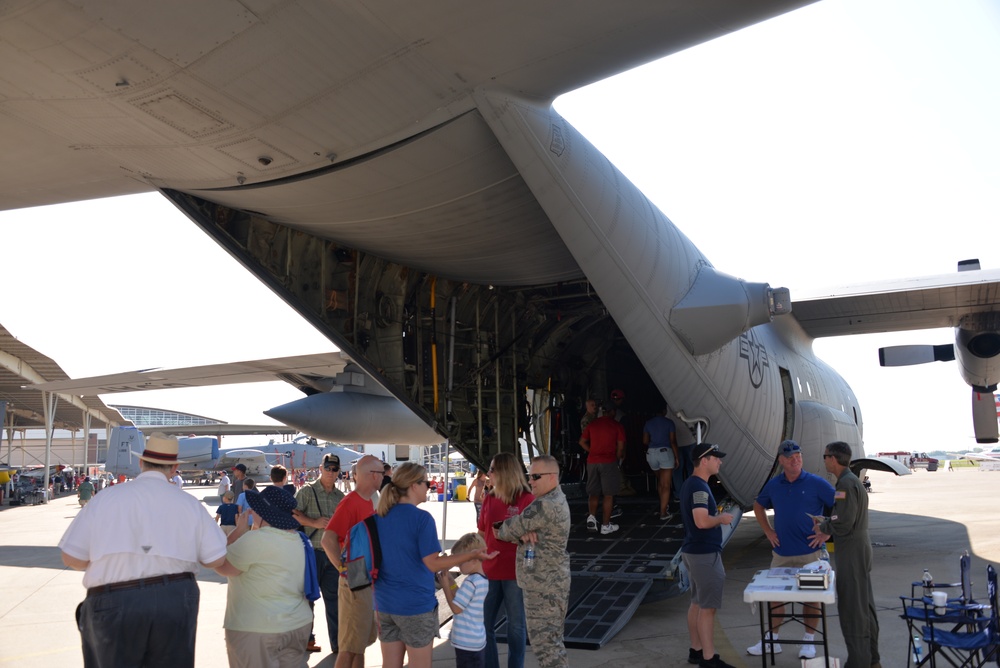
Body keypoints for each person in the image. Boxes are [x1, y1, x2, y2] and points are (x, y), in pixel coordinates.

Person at [58, 433, 229, 667]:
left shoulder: (106, 498)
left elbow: (71, 557)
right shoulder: (189, 504)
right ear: (174, 467)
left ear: (141, 462)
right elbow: (216, 558)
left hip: (114, 599)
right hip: (175, 599)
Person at [373, 462, 494, 668]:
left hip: (384, 604)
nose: (428, 486)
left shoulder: (379, 517)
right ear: (413, 485)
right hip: (415, 606)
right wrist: (470, 555)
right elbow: (432, 563)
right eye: (425, 482)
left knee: (390, 664)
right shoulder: (422, 519)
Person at [747, 440, 835, 658]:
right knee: (775, 598)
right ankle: (772, 640)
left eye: (798, 456)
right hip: (781, 554)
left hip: (811, 553)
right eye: (790, 457)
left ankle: (808, 641)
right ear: (781, 460)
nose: (795, 460)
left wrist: (828, 531)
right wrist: (767, 531)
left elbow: (842, 502)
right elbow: (758, 505)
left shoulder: (816, 483)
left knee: (811, 598)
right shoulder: (774, 485)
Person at [216, 485, 316, 668]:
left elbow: (220, 563)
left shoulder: (255, 540)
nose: (252, 512)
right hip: (297, 624)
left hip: (257, 628)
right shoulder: (300, 540)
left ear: (265, 514)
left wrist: (237, 532)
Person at [494, 455, 571, 668]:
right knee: (551, 644)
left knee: (547, 648)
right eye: (530, 476)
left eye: (536, 476)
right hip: (549, 583)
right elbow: (518, 530)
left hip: (543, 587)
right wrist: (520, 533)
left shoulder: (545, 505)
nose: (531, 481)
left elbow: (503, 530)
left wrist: (507, 527)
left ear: (552, 477)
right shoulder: (554, 498)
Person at [812, 441, 881, 668]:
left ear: (834, 458)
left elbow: (843, 522)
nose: (824, 460)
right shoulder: (852, 482)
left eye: (825, 456)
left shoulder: (844, 485)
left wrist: (823, 527)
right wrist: (829, 522)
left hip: (851, 550)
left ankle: (859, 661)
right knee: (864, 605)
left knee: (853, 608)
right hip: (858, 547)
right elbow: (843, 518)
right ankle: (872, 659)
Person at [320, 454, 384, 668]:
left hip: (364, 578)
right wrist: (345, 570)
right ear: (373, 476)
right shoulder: (351, 502)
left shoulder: (366, 501)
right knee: (349, 646)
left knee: (360, 643)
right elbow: (328, 539)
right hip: (355, 577)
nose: (384, 478)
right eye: (382, 473)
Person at [679, 443, 734, 668]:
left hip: (692, 551)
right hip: (704, 554)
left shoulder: (689, 485)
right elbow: (702, 521)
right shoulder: (700, 488)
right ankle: (709, 659)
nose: (719, 461)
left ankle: (696, 650)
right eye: (715, 457)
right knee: (707, 608)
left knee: (696, 603)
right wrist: (721, 519)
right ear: (704, 460)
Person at [477, 453, 534, 668]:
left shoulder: (527, 499)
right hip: (489, 570)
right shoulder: (489, 498)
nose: (488, 473)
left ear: (504, 472)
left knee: (516, 627)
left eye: (492, 469)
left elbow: (536, 535)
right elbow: (481, 533)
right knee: (484, 625)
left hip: (515, 572)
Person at [293, 452, 345, 654]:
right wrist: (314, 522)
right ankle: (307, 639)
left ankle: (338, 644)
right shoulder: (307, 491)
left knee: (335, 602)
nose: (331, 473)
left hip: (332, 556)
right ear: (320, 469)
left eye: (334, 470)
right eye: (327, 468)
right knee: (308, 600)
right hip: (311, 554)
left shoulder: (341, 498)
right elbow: (293, 514)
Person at [438, 532, 490, 668]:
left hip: (466, 643)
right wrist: (450, 581)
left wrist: (445, 587)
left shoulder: (470, 582)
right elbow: (461, 596)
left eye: (460, 563)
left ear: (473, 560)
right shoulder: (481, 580)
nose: (458, 567)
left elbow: (456, 608)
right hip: (476, 640)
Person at [579, 411, 625, 534]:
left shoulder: (593, 424)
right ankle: (605, 525)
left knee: (593, 492)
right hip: (608, 461)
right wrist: (618, 459)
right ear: (613, 413)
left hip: (592, 462)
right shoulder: (616, 425)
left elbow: (582, 442)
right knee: (608, 494)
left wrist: (592, 451)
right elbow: (620, 447)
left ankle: (592, 517)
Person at [643, 403, 680, 520]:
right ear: (664, 411)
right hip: (665, 453)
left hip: (651, 454)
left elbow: (645, 441)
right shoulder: (669, 423)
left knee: (660, 481)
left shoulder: (648, 423)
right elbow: (673, 441)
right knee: (666, 484)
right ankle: (663, 512)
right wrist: (676, 457)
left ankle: (664, 505)